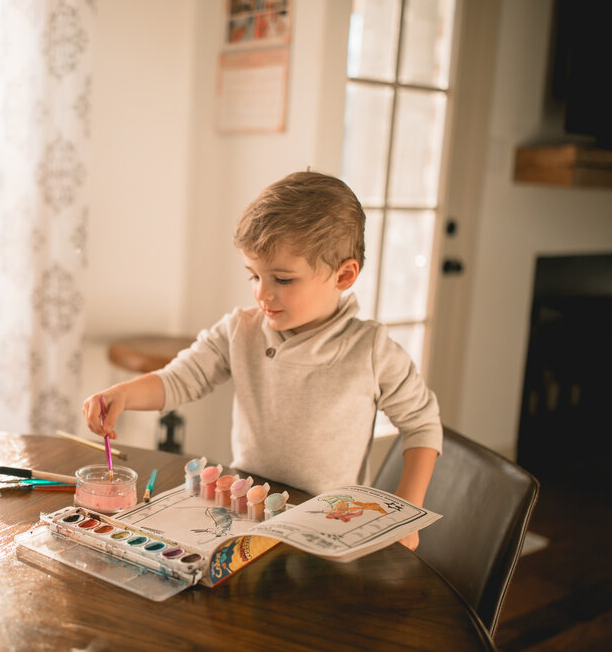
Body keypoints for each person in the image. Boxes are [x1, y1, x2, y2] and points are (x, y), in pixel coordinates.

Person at [81, 170, 442, 550]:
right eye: (253, 276)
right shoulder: (242, 330)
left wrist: (406, 512)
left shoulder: (370, 349)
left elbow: (422, 425)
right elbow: (178, 380)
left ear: (344, 275)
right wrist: (123, 393)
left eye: (283, 280)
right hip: (248, 514)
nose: (262, 294)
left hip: (328, 530)